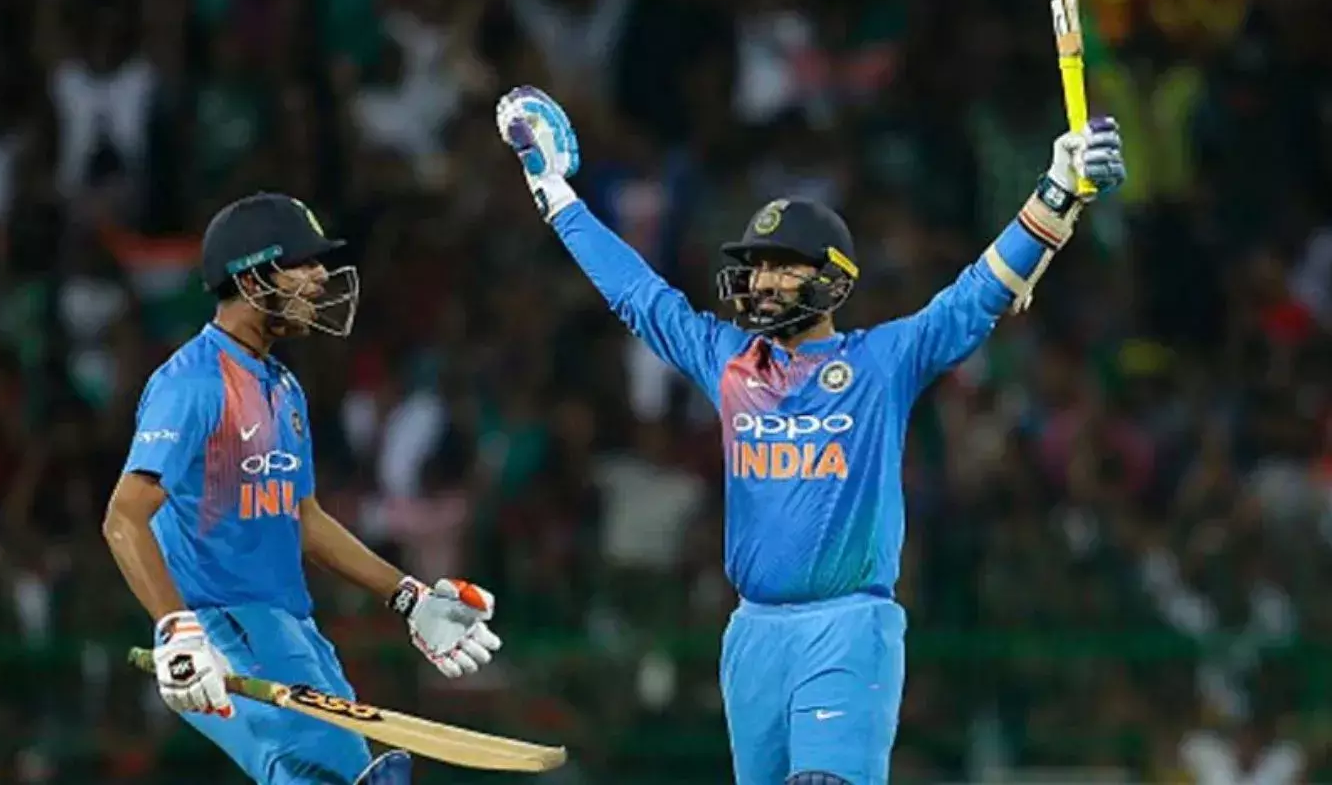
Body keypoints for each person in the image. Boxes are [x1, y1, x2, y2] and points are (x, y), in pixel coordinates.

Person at [495, 86, 1126, 785]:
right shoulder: (729, 362)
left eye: (783, 264)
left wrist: (1056, 192)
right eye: (757, 265)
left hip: (846, 628)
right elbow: (636, 294)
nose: (763, 280)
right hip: (752, 635)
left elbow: (979, 292)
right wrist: (555, 194)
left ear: (832, 278)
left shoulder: (880, 364)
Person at [102, 192, 503, 785]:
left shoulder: (282, 386)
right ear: (252, 277)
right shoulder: (192, 383)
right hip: (225, 629)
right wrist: (177, 629)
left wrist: (410, 597)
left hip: (291, 629)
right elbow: (124, 517)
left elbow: (303, 519)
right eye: (301, 262)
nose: (319, 277)